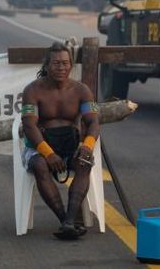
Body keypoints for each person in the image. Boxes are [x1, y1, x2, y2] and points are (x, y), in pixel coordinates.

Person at [21, 42, 100, 240]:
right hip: (41, 147)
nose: (61, 68)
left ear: (71, 65)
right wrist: (48, 153)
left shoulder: (82, 91)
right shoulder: (32, 91)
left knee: (85, 161)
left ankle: (70, 221)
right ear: (46, 66)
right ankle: (65, 220)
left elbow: (93, 122)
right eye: (56, 64)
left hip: (70, 145)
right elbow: (29, 126)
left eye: (65, 63)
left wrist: (87, 146)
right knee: (39, 164)